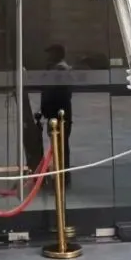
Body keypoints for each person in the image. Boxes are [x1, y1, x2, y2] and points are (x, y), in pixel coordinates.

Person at [39, 43, 73, 186]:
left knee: (60, 145)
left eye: (51, 53)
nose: (48, 57)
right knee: (58, 145)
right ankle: (60, 174)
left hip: (59, 115)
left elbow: (56, 93)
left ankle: (62, 177)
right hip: (55, 114)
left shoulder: (60, 70)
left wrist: (48, 108)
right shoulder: (54, 69)